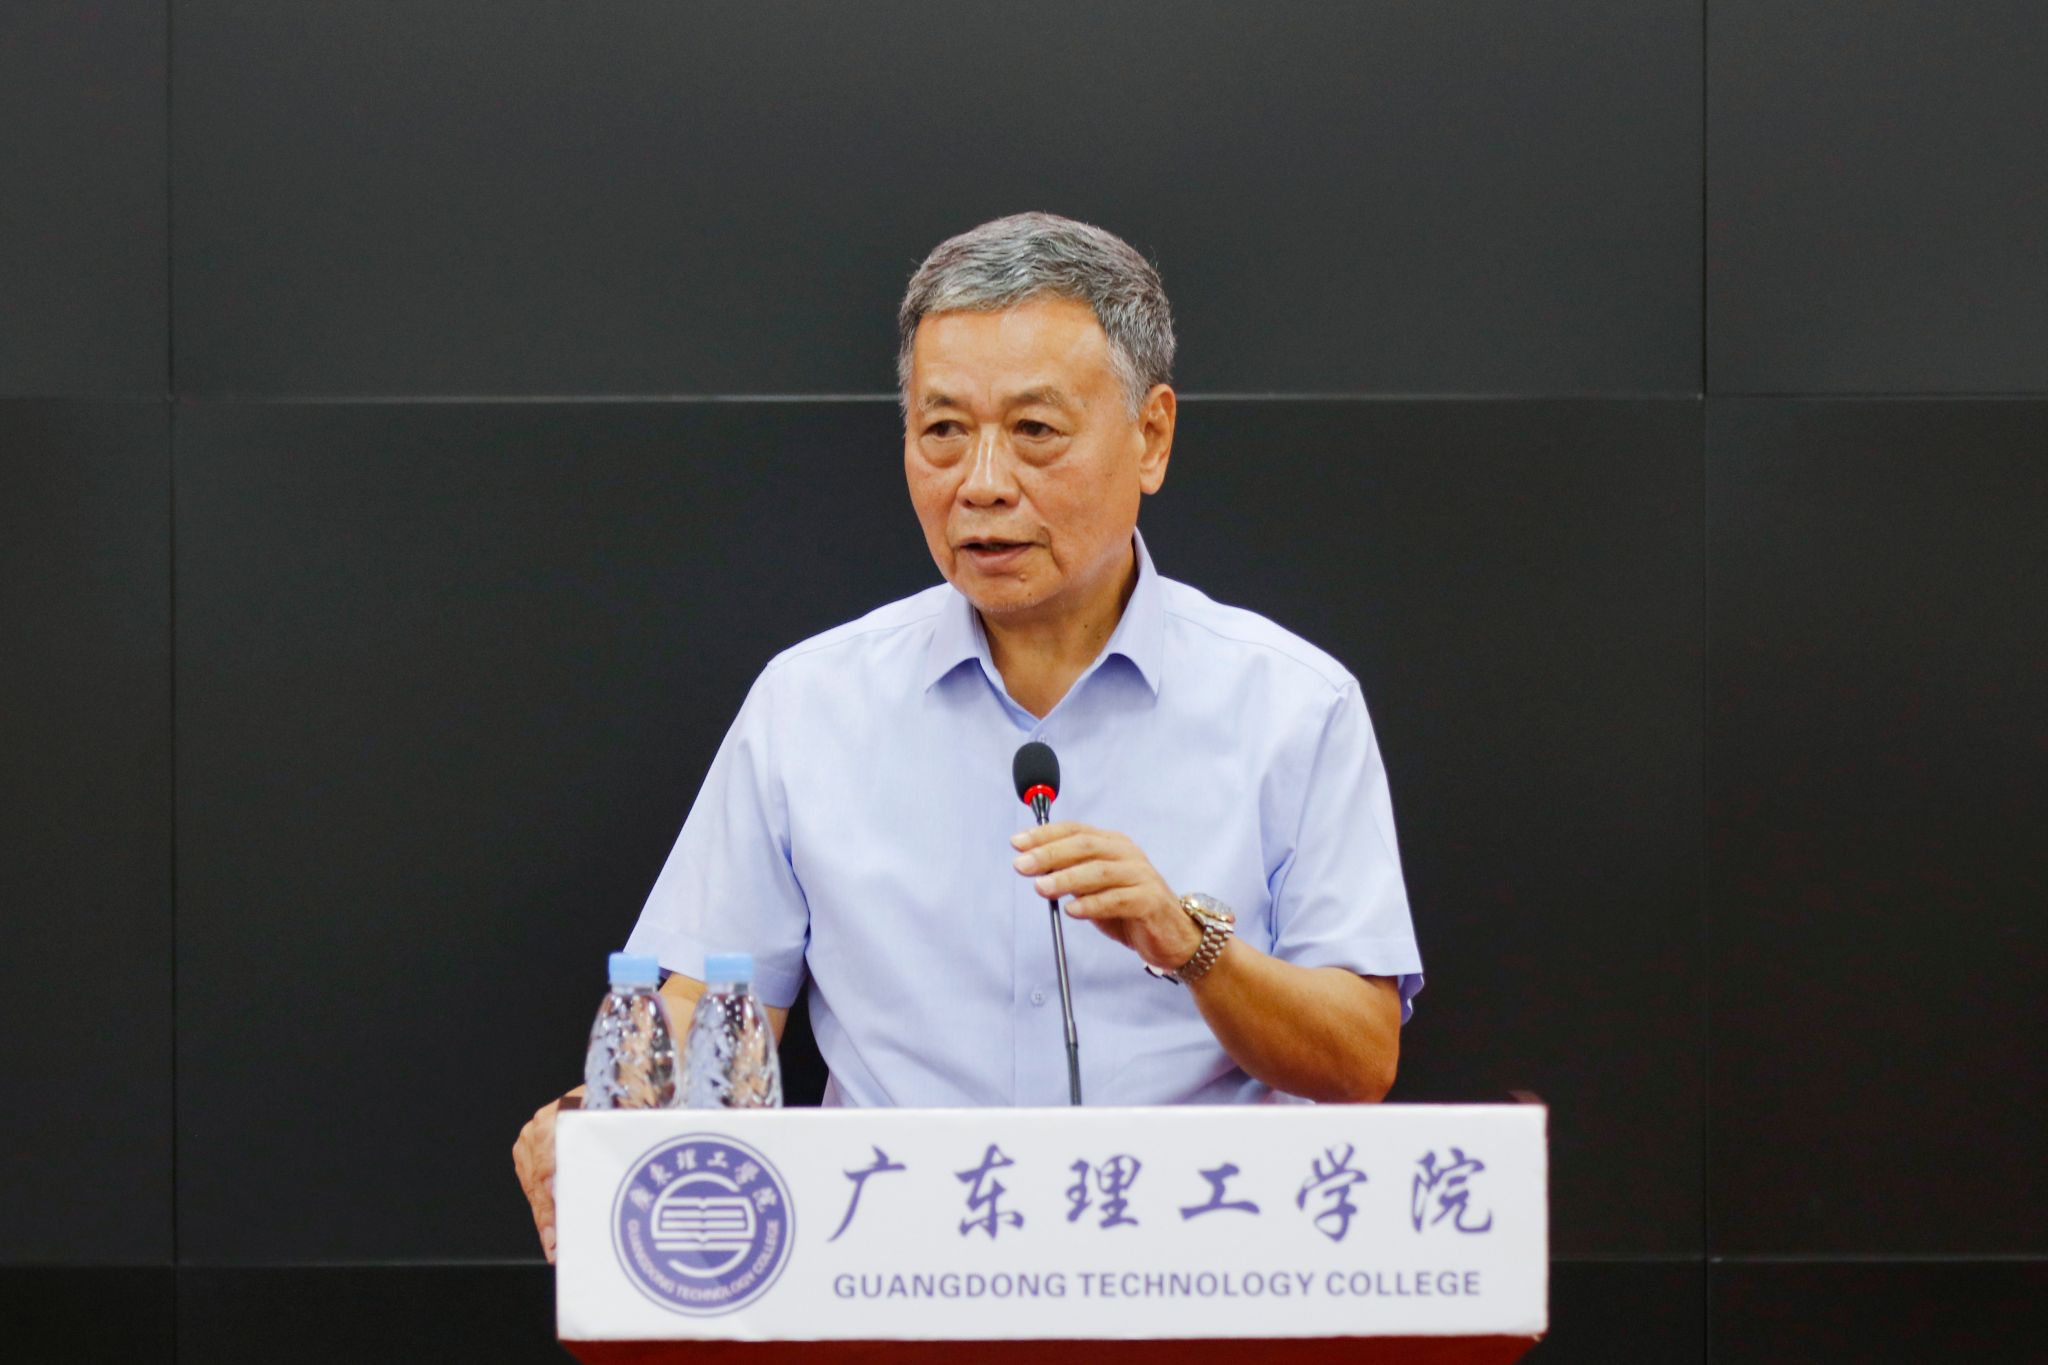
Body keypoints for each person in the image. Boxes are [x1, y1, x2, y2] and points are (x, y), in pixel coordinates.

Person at [513, 212, 1423, 1261]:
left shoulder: (1292, 704)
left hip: (1197, 1272)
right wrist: (597, 1117)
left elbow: (1358, 1060)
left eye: (1034, 430)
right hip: (885, 1276)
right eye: (942, 430)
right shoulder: (811, 703)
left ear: (1151, 436)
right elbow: (706, 1010)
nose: (981, 482)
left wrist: (1190, 943)